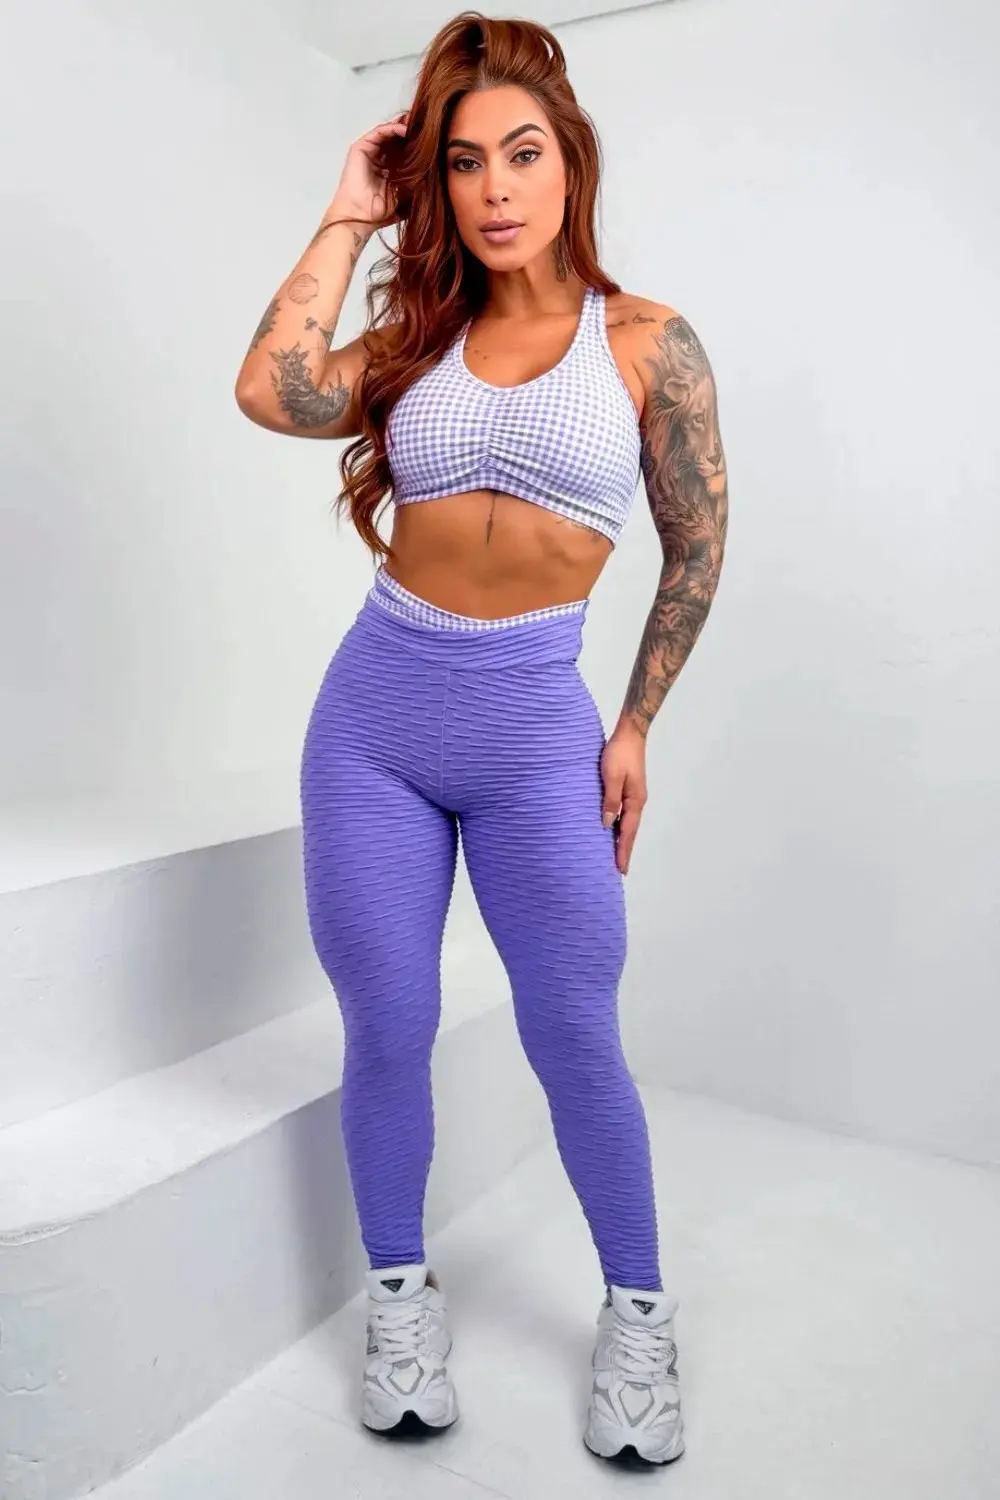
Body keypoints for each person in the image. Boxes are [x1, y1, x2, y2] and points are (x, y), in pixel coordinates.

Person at [234, 10, 727, 1469]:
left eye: (522, 154)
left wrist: (634, 722)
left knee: (573, 1025)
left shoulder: (647, 344)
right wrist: (349, 209)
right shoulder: (418, 341)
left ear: (570, 163)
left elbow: (696, 545)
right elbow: (270, 389)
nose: (497, 188)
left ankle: (639, 1316)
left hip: (533, 735)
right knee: (388, 1020)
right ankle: (399, 1302)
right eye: (463, 164)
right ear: (435, 185)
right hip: (374, 725)